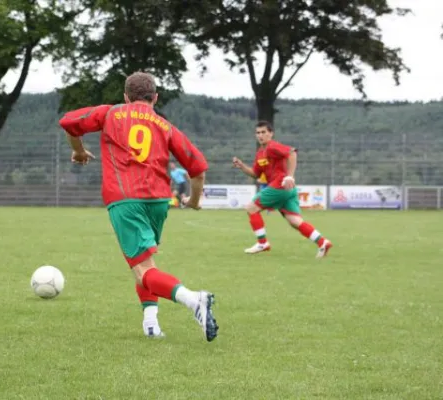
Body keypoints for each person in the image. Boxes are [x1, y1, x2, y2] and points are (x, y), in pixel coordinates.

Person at [58, 72, 219, 342]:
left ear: (125, 96)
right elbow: (198, 168)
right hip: (158, 201)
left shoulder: (110, 113)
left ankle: (195, 300)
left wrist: (79, 151)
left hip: (125, 198)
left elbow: (68, 122)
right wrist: (193, 200)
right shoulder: (164, 125)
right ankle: (151, 323)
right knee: (144, 264)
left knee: (144, 270)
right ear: (155, 98)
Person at [232, 121, 333, 258]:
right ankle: (323, 242)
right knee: (295, 222)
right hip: (286, 190)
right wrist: (242, 166)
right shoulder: (260, 153)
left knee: (251, 208)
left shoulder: (272, 146)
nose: (260, 135)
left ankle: (262, 243)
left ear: (271, 133)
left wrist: (290, 176)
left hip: (280, 184)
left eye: (263, 132)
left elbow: (292, 153)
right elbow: (256, 174)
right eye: (258, 133)